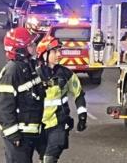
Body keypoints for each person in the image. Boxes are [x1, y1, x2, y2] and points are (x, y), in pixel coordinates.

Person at [0, 26, 45, 163]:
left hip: (31, 133)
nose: (34, 47)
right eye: (30, 45)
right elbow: (2, 108)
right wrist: (14, 135)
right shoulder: (11, 72)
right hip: (19, 135)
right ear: (21, 50)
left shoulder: (29, 67)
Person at [34, 35, 88, 163]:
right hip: (39, 124)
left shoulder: (66, 74)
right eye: (54, 51)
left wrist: (82, 116)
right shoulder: (34, 75)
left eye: (59, 51)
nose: (59, 54)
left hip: (59, 123)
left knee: (50, 158)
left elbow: (78, 94)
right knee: (43, 157)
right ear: (44, 54)